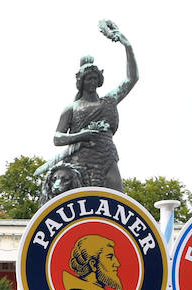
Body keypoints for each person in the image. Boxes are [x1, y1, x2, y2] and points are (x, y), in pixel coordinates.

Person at [44, 20, 137, 196]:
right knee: (81, 203)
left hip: (106, 155)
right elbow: (57, 138)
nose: (92, 82)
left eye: (95, 78)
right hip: (80, 162)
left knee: (119, 199)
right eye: (88, 79)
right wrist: (82, 135)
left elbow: (132, 78)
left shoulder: (108, 101)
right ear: (81, 82)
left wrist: (128, 46)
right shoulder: (72, 108)